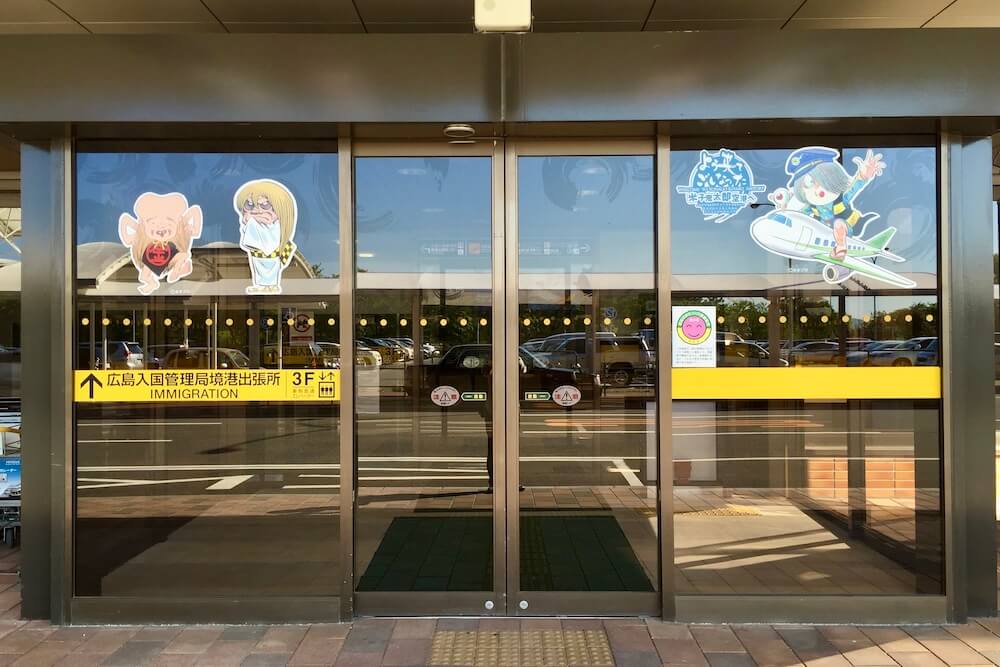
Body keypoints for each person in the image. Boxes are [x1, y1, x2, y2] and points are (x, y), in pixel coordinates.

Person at [769, 146, 885, 259]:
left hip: (846, 228)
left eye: (823, 179)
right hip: (823, 232)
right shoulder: (812, 206)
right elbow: (800, 216)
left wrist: (863, 176)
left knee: (838, 223)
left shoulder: (841, 199)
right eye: (809, 183)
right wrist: (784, 210)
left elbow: (853, 189)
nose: (817, 190)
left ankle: (841, 248)